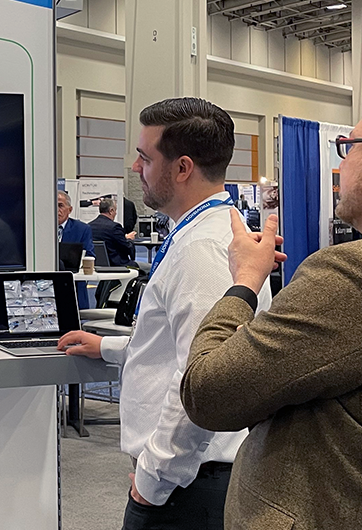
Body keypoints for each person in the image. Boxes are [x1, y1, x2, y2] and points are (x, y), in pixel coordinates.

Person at [181, 81, 362, 530]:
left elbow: (208, 394)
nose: (342, 163)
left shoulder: (360, 275)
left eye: (349, 147)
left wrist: (244, 283)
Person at [57, 97, 272, 530]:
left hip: (187, 485)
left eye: (145, 157)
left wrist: (154, 479)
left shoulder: (201, 249)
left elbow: (203, 378)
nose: (135, 168)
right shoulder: (207, 232)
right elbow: (183, 346)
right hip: (192, 478)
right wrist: (110, 347)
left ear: (182, 168)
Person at [57, 189, 95, 309]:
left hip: (74, 283)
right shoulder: (40, 228)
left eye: (60, 206)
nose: (56, 210)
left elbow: (89, 254)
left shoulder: (82, 229)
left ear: (70, 210)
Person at [88, 197, 137, 267]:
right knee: (147, 268)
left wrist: (124, 238)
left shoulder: (89, 226)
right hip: (118, 266)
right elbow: (127, 248)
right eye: (115, 210)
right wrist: (129, 239)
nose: (116, 213)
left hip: (95, 266)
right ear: (111, 211)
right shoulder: (115, 227)